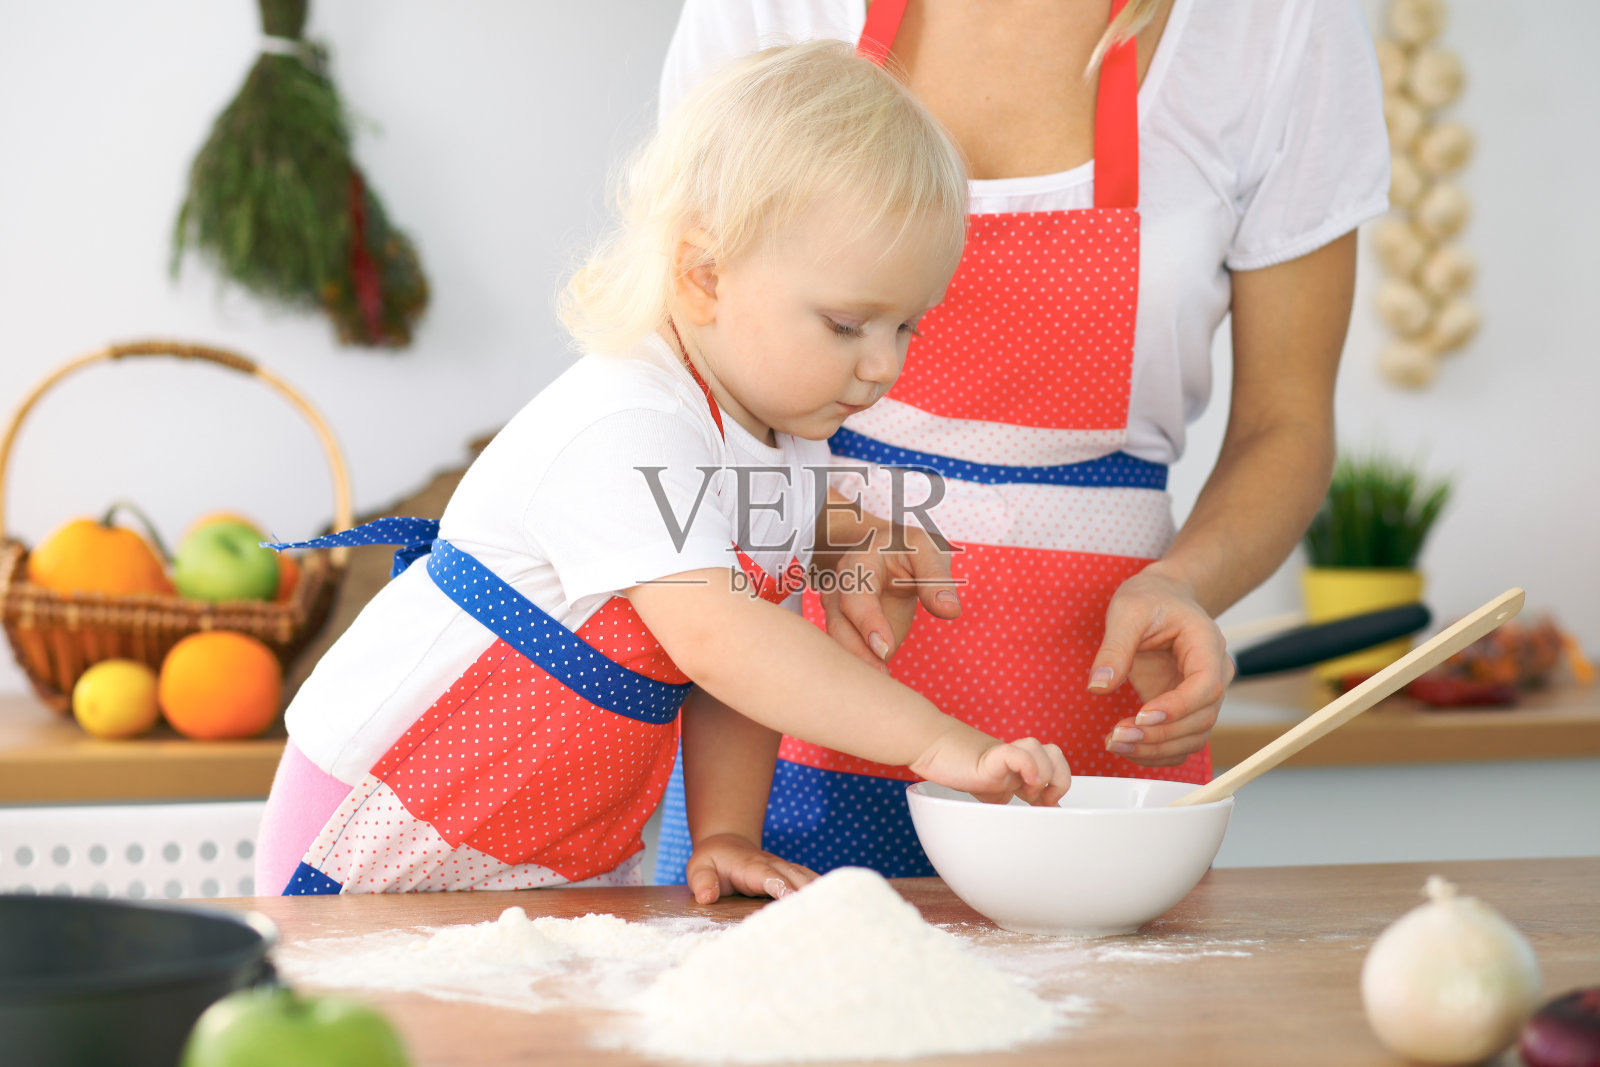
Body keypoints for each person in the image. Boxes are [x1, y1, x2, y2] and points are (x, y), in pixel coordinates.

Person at [252, 39, 1072, 901]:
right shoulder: (630, 420)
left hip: (543, 847)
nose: (883, 368)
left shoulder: (789, 449)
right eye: (846, 325)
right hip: (375, 820)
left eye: (905, 327)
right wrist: (937, 741)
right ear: (704, 275)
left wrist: (724, 832)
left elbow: (749, 662)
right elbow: (725, 644)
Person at [655, 0, 1391, 881]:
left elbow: (1288, 424)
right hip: (780, 703)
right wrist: (831, 530)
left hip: (1095, 718)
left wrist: (1185, 582)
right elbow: (687, 380)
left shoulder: (1281, 28)